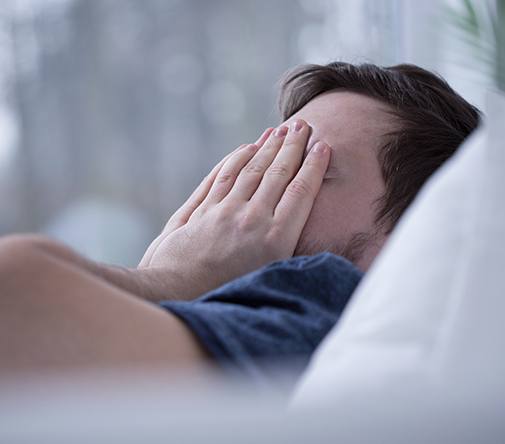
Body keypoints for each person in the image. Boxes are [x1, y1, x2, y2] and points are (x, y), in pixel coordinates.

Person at [0, 62, 479, 385]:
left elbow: (14, 296)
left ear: (412, 233)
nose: (242, 198)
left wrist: (172, 279)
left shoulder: (317, 301)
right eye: (262, 160)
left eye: (299, 169)